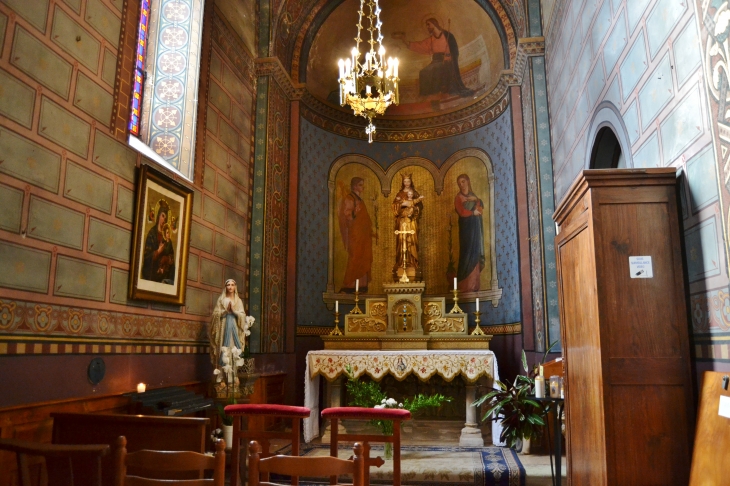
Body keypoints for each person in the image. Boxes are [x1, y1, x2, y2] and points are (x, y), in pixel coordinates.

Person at [395, 18, 474, 98]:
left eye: (428, 24)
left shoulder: (447, 36)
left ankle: (437, 92)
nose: (427, 27)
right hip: (436, 61)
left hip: (447, 61)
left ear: (434, 24)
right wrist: (404, 40)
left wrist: (448, 56)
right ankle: (427, 95)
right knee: (423, 72)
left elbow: (454, 50)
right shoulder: (431, 39)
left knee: (434, 69)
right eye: (426, 25)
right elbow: (420, 46)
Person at [208, 279, 255, 382]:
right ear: (225, 287)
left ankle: (234, 375)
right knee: (223, 349)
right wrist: (225, 311)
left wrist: (234, 311)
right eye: (228, 285)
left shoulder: (238, 301)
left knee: (234, 349)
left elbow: (242, 315)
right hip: (224, 328)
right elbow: (215, 314)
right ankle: (222, 376)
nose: (230, 287)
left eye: (232, 285)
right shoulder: (221, 299)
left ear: (235, 287)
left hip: (235, 328)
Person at [338, 177, 374, 293]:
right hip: (355, 234)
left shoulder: (360, 200)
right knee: (355, 256)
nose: (362, 187)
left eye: (362, 185)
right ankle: (349, 285)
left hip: (363, 235)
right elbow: (347, 215)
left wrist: (370, 231)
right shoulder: (350, 198)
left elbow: (364, 219)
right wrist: (355, 212)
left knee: (363, 256)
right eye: (360, 185)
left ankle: (362, 285)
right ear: (354, 186)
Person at [454, 174, 485, 292]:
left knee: (475, 253)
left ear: (468, 181)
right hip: (466, 231)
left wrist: (477, 201)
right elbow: (461, 212)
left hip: (475, 229)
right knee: (466, 254)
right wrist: (473, 213)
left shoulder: (474, 197)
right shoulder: (458, 197)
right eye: (459, 183)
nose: (461, 185)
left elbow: (480, 209)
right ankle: (464, 285)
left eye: (463, 181)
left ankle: (474, 285)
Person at [392, 175, 424, 278]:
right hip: (402, 222)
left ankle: (412, 263)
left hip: (412, 221)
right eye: (405, 181)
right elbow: (395, 208)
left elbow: (419, 207)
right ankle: (402, 264)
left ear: (411, 181)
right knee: (402, 240)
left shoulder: (415, 193)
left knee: (412, 241)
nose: (406, 183)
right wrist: (403, 204)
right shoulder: (400, 194)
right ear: (403, 182)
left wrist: (414, 208)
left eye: (408, 181)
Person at [142, 199, 174, 283]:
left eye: (166, 218)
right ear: (158, 215)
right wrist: (158, 251)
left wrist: (167, 258)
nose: (164, 219)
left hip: (164, 275)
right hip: (152, 275)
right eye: (163, 216)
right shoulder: (152, 234)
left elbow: (172, 256)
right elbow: (146, 257)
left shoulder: (167, 237)